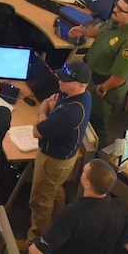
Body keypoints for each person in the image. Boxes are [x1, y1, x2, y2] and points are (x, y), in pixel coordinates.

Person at [26, 61, 92, 243]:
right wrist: (53, 113)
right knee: (54, 191)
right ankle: (55, 226)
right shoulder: (81, 97)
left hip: (52, 161)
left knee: (40, 202)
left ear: (81, 84)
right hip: (63, 160)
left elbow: (37, 131)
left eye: (65, 80)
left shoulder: (71, 112)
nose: (59, 82)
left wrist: (43, 113)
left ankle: (36, 241)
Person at [68, 0, 128, 150]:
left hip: (103, 87)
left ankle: (96, 158)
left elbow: (120, 76)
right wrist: (85, 32)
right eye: (116, 6)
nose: (115, 10)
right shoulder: (117, 21)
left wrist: (102, 89)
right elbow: (102, 30)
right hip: (91, 77)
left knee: (96, 126)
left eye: (120, 9)